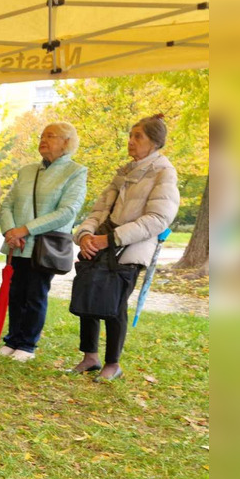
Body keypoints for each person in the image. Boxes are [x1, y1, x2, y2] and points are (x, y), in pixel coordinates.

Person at [70, 114, 180, 381]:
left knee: (115, 304)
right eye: (130, 136)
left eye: (138, 136)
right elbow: (99, 210)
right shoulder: (124, 171)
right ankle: (90, 357)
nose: (131, 141)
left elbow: (158, 218)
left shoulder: (164, 172)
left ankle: (113, 364)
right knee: (89, 294)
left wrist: (112, 239)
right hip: (100, 243)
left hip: (129, 248)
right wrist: (85, 235)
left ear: (154, 142)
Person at [0, 123, 88, 361]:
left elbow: (68, 211)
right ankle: (12, 339)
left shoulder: (76, 172)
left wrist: (25, 230)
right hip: (17, 244)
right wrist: (10, 231)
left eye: (50, 136)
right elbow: (7, 204)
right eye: (42, 136)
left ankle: (27, 345)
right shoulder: (27, 170)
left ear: (67, 142)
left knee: (35, 295)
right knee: (15, 293)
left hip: (44, 246)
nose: (43, 140)